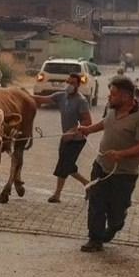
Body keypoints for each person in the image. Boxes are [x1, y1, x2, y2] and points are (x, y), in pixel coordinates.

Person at [77, 75, 139, 252]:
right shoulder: (111, 108)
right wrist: (89, 129)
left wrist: (121, 154)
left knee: (116, 211)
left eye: (113, 94)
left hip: (124, 173)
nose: (109, 97)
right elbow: (106, 123)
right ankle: (95, 239)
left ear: (126, 97)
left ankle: (114, 226)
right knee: (96, 202)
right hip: (101, 166)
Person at [32, 73, 92, 203]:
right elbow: (43, 99)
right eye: (68, 82)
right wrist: (24, 95)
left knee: (64, 165)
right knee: (67, 166)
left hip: (77, 139)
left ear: (78, 85)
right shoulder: (61, 96)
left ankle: (58, 194)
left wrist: (72, 132)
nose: (69, 85)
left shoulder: (81, 101)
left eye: (72, 83)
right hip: (65, 138)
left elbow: (87, 122)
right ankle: (87, 185)